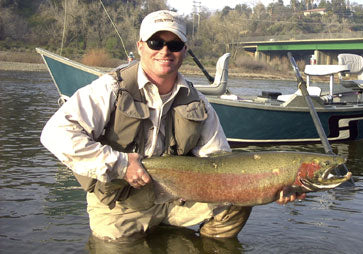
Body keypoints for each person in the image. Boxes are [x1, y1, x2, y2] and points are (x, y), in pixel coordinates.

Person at [41, 10, 303, 242]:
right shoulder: (109, 88)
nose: (165, 51)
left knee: (239, 202)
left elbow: (218, 163)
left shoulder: (199, 103)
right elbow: (55, 134)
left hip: (180, 198)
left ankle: (209, 245)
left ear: (185, 51)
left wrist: (268, 188)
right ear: (141, 46)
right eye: (156, 42)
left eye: (174, 44)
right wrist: (121, 164)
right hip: (120, 205)